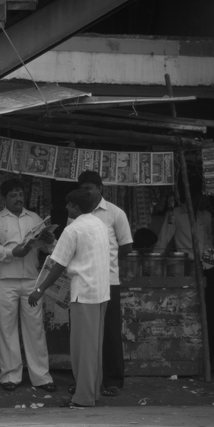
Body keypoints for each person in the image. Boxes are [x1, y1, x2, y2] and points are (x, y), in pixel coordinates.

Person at [29, 189, 110, 408]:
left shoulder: (73, 229)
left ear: (75, 206)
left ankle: (83, 397)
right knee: (94, 348)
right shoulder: (99, 225)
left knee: (82, 350)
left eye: (68, 205)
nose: (66, 208)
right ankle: (92, 392)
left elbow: (59, 265)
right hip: (101, 293)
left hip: (84, 294)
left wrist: (40, 289)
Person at [0, 178, 57, 393]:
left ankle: (41, 377)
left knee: (35, 328)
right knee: (7, 329)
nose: (18, 199)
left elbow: (49, 248)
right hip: (6, 280)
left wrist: (49, 239)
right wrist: (11, 252)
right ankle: (10, 376)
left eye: (20, 194)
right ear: (4, 198)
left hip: (31, 281)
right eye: (13, 195)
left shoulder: (34, 218)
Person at [73, 170, 133, 397]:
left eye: (89, 188)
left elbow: (126, 246)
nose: (85, 192)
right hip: (84, 282)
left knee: (109, 332)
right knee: (86, 335)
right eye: (83, 188)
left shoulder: (115, 214)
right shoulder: (76, 213)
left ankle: (113, 380)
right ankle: (87, 382)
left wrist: (103, 261)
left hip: (108, 281)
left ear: (100, 189)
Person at [155, 186, 214, 357]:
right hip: (188, 269)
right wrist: (153, 268)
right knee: (188, 313)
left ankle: (208, 354)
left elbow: (209, 240)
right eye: (204, 196)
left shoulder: (207, 216)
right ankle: (188, 353)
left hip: (209, 268)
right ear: (194, 195)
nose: (207, 201)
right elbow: (162, 243)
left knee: (209, 313)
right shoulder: (174, 215)